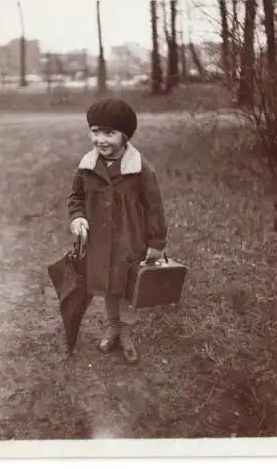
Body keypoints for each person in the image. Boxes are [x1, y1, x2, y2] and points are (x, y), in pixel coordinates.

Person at [68, 98, 167, 364]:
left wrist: (156, 241)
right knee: (109, 287)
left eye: (109, 133)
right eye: (95, 131)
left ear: (125, 136)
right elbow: (76, 197)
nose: (101, 139)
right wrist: (77, 217)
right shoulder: (87, 166)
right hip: (101, 242)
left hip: (130, 240)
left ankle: (126, 332)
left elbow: (154, 206)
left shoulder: (140, 168)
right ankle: (113, 326)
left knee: (128, 286)